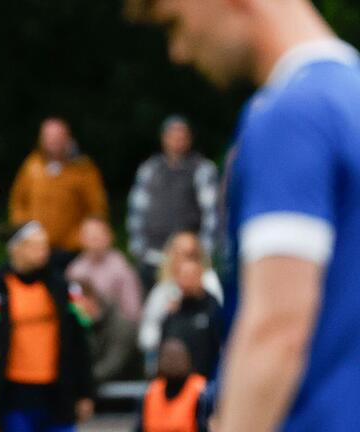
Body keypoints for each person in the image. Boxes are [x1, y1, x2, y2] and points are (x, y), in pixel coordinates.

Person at [126, 0, 360, 430]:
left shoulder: (291, 115)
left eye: (174, 24)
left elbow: (276, 328)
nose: (179, 52)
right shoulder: (350, 95)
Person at [0, 222, 94, 432]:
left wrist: (85, 392)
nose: (43, 251)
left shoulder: (64, 289)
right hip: (13, 395)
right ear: (16, 249)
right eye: (35, 245)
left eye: (44, 245)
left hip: (57, 394)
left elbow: (80, 341)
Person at [127, 115, 219, 291]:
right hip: (152, 256)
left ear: (189, 139)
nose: (177, 140)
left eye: (182, 136)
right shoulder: (150, 169)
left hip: (187, 261)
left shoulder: (201, 169)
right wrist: (137, 247)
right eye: (172, 135)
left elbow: (212, 214)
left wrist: (204, 253)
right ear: (164, 138)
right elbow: (136, 210)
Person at [9, 117, 108, 252]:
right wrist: (24, 230)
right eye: (48, 137)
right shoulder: (32, 165)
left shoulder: (83, 169)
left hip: (71, 250)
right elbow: (18, 201)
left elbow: (96, 209)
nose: (52, 141)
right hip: (36, 248)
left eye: (57, 137)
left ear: (67, 138)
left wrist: (81, 238)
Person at [65, 217, 142, 383]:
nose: (94, 241)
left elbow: (132, 312)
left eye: (98, 236)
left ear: (109, 237)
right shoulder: (74, 269)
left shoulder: (121, 268)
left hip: (115, 335)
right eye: (89, 236)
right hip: (85, 334)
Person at [138, 232, 221, 375]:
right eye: (179, 253)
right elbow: (147, 335)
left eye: (190, 254)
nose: (184, 259)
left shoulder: (211, 286)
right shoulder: (162, 291)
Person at [160, 260, 222, 378]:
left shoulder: (213, 310)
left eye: (191, 275)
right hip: (176, 387)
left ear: (200, 276)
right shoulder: (172, 315)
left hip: (207, 385)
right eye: (183, 276)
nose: (187, 281)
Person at [134, 338, 207, 432]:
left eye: (177, 357)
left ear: (188, 361)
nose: (172, 362)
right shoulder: (151, 392)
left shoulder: (202, 391)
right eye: (167, 357)